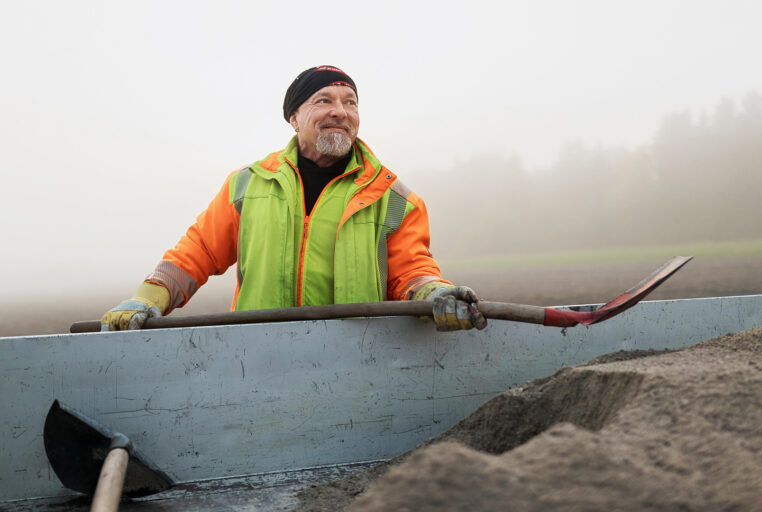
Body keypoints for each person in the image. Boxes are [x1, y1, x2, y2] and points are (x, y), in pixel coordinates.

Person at [101, 65, 486, 332]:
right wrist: (146, 298)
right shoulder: (247, 185)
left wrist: (435, 293)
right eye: (324, 100)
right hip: (255, 359)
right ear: (294, 118)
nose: (340, 112)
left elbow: (412, 271)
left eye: (350, 102)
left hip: (358, 364)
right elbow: (196, 252)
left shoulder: (395, 198)